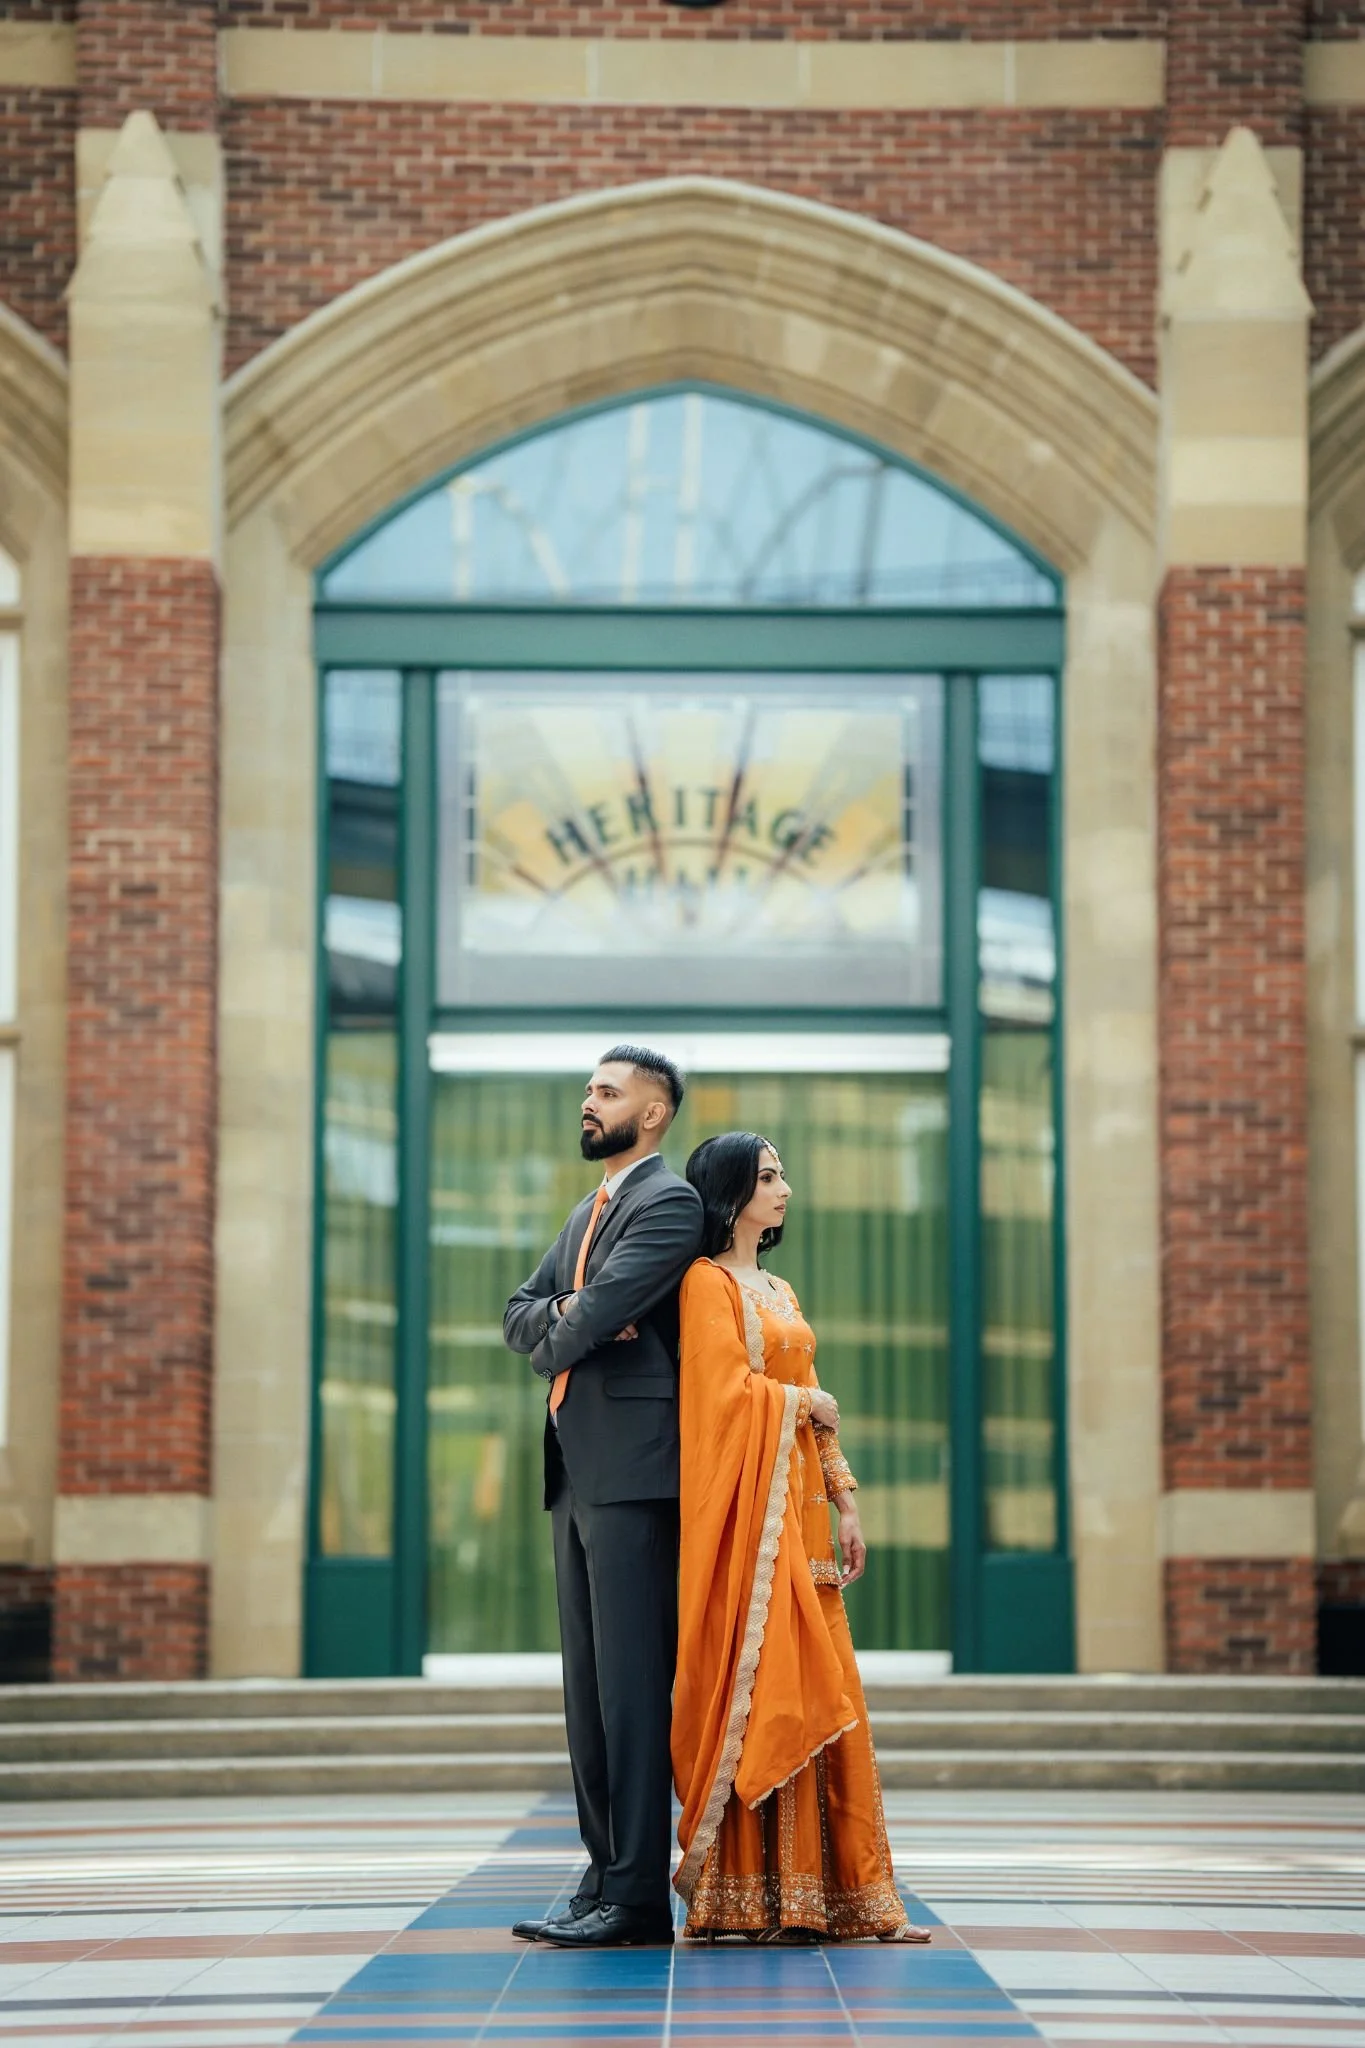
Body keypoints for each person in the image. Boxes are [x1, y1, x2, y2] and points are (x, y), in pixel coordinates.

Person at [670, 1131, 927, 1945]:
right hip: (754, 1525)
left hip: (806, 1518)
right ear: (731, 1192)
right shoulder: (705, 1284)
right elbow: (718, 1398)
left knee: (829, 1694)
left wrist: (847, 1500)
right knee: (771, 1692)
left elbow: (808, 1390)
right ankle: (754, 1899)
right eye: (769, 1176)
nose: (784, 1188)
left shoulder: (779, 1286)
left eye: (783, 1174)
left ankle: (839, 1899)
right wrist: (801, 1407)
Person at [502, 1044, 703, 1949]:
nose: (589, 1101)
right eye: (588, 1088)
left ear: (653, 1113)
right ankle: (601, 1877)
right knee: (585, 1691)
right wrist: (568, 1318)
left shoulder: (670, 1204)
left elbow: (571, 1320)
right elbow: (522, 1313)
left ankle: (634, 1897)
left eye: (608, 1091)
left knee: (629, 1689)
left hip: (634, 1473)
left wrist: (566, 1320)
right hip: (576, 1472)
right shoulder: (591, 1206)